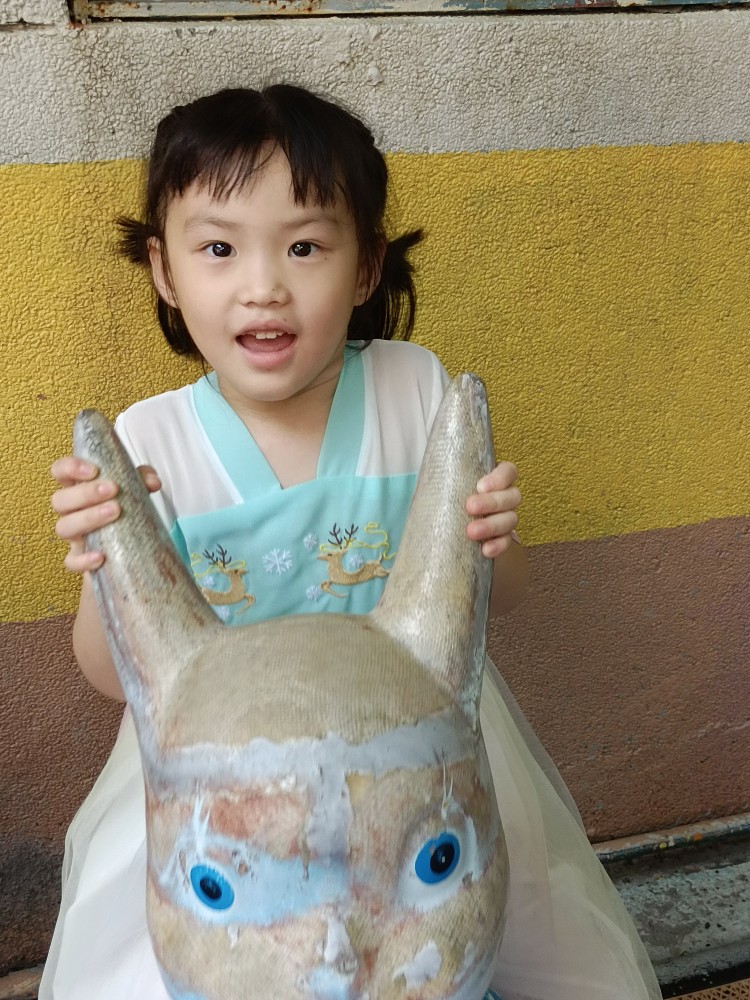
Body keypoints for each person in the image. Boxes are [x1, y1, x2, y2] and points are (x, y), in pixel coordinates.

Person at [43, 85, 659, 1000]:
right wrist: (108, 564)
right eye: (219, 249)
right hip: (226, 784)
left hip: (409, 762)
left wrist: (492, 542)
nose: (263, 285)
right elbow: (112, 673)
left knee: (472, 932)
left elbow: (502, 600)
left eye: (304, 247)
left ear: (366, 265)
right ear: (164, 271)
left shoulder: (414, 391)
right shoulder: (149, 443)